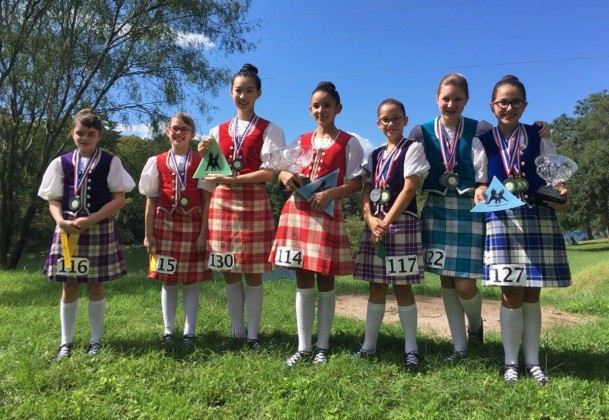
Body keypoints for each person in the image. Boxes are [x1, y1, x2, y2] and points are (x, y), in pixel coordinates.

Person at [408, 74, 550, 363]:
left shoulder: (480, 129)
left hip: (471, 209)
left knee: (465, 283)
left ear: (467, 101)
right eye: (446, 98)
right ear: (437, 99)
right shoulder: (420, 132)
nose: (451, 104)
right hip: (436, 208)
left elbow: (500, 156)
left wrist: (541, 128)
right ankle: (459, 347)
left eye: (457, 99)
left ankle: (475, 325)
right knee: (446, 280)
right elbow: (406, 165)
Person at [473, 75, 571, 385]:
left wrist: (563, 193)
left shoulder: (539, 135)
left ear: (524, 105)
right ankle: (510, 362)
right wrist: (480, 192)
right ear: (493, 105)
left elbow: (555, 177)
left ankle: (533, 362)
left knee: (532, 293)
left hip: (538, 217)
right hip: (502, 219)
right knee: (509, 293)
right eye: (503, 101)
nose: (509, 107)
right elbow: (481, 182)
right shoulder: (483, 140)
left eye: (516, 101)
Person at [270, 81, 364, 366]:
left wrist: (329, 193)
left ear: (338, 108)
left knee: (325, 279)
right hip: (297, 213)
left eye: (326, 105)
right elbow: (285, 169)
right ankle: (303, 346)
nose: (321, 110)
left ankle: (322, 346)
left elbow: (357, 183)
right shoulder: (301, 140)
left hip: (327, 213)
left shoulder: (349, 142)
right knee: (302, 279)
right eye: (316, 105)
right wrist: (282, 175)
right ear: (309, 109)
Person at [197, 64, 285, 349]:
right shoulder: (216, 130)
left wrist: (231, 178)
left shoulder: (271, 129)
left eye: (249, 90)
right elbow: (210, 176)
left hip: (253, 199)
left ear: (258, 93)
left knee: (254, 270)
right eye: (238, 90)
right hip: (222, 202)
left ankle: (253, 335)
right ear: (230, 92)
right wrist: (206, 157)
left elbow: (269, 173)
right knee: (229, 268)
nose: (243, 95)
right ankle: (236, 332)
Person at [38, 108, 135, 360]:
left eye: (91, 133)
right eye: (80, 133)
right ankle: (65, 343)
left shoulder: (110, 162)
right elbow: (53, 198)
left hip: (98, 227)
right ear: (72, 134)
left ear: (99, 136)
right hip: (67, 229)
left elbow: (120, 199)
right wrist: (60, 221)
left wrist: (92, 219)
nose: (85, 138)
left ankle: (95, 341)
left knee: (95, 285)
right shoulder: (61, 162)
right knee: (69, 286)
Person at [353, 99, 430, 367]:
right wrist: (369, 217)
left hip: (402, 224)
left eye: (396, 118)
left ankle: (411, 348)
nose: (390, 124)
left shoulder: (413, 148)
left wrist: (385, 221)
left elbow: (410, 189)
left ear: (405, 120)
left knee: (402, 287)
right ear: (378, 123)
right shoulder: (373, 155)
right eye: (385, 120)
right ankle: (368, 345)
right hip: (375, 225)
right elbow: (365, 190)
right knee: (376, 286)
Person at [139, 112, 213, 348]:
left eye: (184, 129)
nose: (179, 132)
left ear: (192, 134)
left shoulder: (201, 161)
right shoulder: (156, 161)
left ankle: (190, 332)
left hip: (193, 225)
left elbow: (206, 201)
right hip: (164, 225)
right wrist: (148, 234)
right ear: (167, 132)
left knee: (191, 281)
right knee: (168, 279)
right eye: (175, 128)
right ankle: (168, 331)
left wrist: (204, 234)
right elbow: (150, 201)